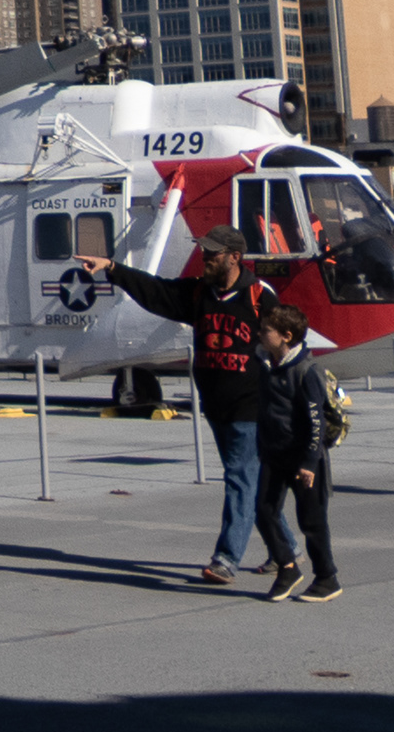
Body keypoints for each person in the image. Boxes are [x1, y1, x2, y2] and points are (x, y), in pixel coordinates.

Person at [73, 224, 274, 584]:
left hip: (252, 406)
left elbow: (288, 344)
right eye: (204, 250)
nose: (205, 257)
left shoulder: (260, 298)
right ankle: (285, 549)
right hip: (215, 405)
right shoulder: (199, 294)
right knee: (246, 480)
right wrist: (113, 268)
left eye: (213, 253)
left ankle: (226, 559)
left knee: (240, 478)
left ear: (234, 257)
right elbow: (157, 291)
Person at [248, 298, 342, 604]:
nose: (259, 334)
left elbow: (316, 422)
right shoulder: (265, 364)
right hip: (274, 454)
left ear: (287, 335)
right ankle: (287, 567)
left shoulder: (305, 370)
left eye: (266, 330)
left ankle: (327, 578)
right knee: (264, 510)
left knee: (311, 521)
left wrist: (309, 463)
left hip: (304, 458)